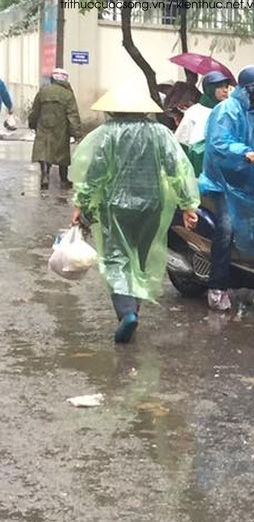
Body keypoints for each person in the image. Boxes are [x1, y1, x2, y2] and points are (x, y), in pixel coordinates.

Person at [68, 89, 199, 343]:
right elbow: (178, 168)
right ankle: (133, 312)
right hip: (152, 206)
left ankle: (127, 314)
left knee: (117, 260)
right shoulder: (161, 133)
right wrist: (187, 205)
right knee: (138, 259)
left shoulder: (108, 134)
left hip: (116, 207)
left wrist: (81, 204)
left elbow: (94, 174)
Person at [198, 65, 254, 312]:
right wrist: (245, 152)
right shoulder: (226, 110)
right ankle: (217, 286)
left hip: (253, 182)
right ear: (251, 89)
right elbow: (218, 143)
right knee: (226, 229)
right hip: (223, 184)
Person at [29, 68, 81, 190]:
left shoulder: (43, 92)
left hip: (43, 126)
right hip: (61, 128)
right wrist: (77, 133)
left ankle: (45, 175)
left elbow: (35, 111)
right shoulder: (68, 95)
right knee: (62, 153)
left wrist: (32, 124)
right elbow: (72, 115)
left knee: (44, 151)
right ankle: (64, 179)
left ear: (52, 79)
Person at [174, 70, 234, 174]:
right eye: (220, 87)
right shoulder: (194, 111)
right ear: (210, 89)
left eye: (226, 87)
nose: (225, 90)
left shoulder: (230, 112)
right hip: (198, 165)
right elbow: (181, 141)